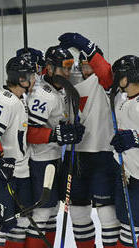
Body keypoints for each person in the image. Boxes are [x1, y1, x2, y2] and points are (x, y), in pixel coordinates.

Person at [58, 32, 121, 248]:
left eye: (89, 62)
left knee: (107, 215)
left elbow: (105, 73)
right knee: (78, 213)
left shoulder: (105, 82)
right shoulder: (70, 79)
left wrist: (87, 45)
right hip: (76, 157)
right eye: (82, 63)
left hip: (102, 155)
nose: (86, 67)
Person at [25, 45, 85, 248]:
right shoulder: (43, 95)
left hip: (53, 158)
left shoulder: (62, 90)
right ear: (49, 69)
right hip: (40, 161)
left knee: (51, 213)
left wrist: (71, 130)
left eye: (69, 68)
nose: (68, 73)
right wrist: (55, 134)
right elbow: (28, 132)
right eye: (63, 68)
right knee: (42, 214)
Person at [0, 54, 37, 248]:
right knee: (2, 226)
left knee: (21, 222)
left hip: (19, 170)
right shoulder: (5, 101)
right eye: (31, 75)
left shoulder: (19, 100)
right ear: (21, 79)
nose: (35, 78)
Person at [110, 55, 139, 248]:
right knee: (127, 224)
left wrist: (134, 138)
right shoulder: (122, 99)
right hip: (127, 173)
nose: (115, 80)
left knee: (132, 228)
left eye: (118, 75)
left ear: (127, 77)